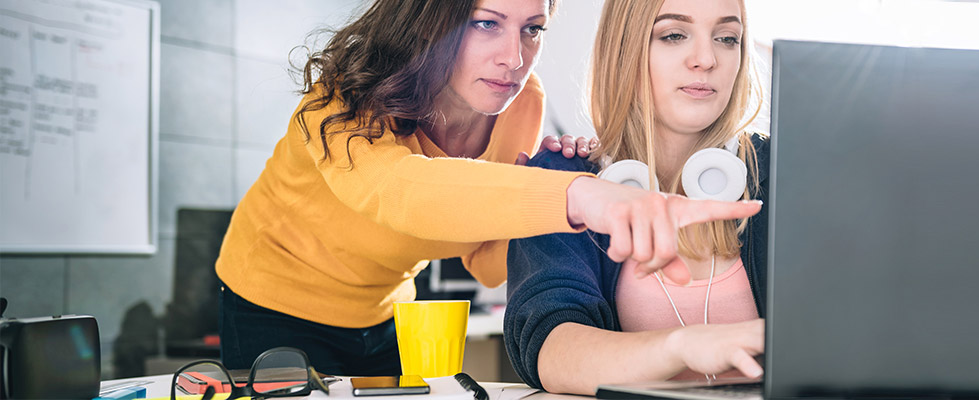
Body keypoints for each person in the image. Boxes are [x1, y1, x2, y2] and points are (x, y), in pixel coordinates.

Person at [214, 0, 761, 376]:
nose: (514, 57)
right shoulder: (340, 101)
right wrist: (574, 196)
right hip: (270, 303)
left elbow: (488, 261)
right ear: (431, 20)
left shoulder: (519, 102)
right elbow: (398, 192)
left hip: (387, 314)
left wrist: (550, 179)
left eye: (533, 28)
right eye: (485, 24)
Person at [504, 0, 768, 394]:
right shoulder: (565, 180)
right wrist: (683, 346)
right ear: (626, 48)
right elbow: (551, 350)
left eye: (727, 38)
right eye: (674, 35)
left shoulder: (781, 171)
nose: (706, 59)